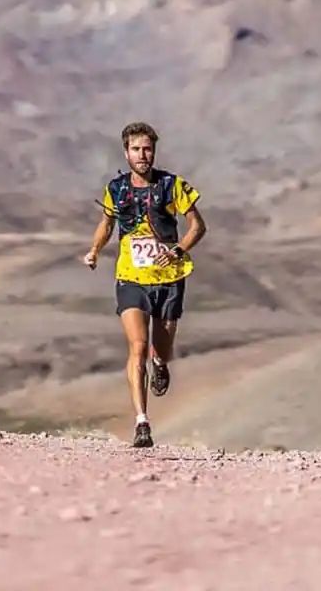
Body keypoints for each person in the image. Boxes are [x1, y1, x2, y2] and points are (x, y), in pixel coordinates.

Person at [82, 121, 207, 448]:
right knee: (137, 346)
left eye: (147, 149)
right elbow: (106, 223)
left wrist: (178, 249)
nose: (142, 155)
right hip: (131, 277)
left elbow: (198, 225)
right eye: (136, 149)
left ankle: (161, 363)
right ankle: (142, 423)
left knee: (160, 349)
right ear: (126, 152)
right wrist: (95, 250)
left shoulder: (172, 185)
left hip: (169, 277)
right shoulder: (117, 189)